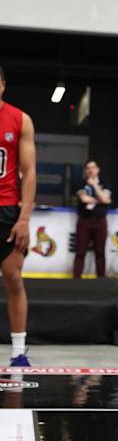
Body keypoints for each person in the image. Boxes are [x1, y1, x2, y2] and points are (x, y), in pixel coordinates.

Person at [0, 67, 36, 366]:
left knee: (13, 277)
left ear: (2, 84)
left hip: (7, 210)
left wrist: (24, 218)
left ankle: (19, 351)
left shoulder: (19, 119)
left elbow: (30, 172)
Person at [73, 160, 111, 279]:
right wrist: (101, 200)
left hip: (100, 220)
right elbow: (84, 199)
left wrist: (94, 185)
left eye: (93, 167)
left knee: (100, 252)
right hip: (84, 220)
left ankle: (101, 279)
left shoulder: (105, 183)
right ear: (85, 170)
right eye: (88, 168)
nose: (90, 170)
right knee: (80, 251)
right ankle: (76, 279)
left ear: (97, 169)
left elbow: (106, 198)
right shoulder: (80, 183)